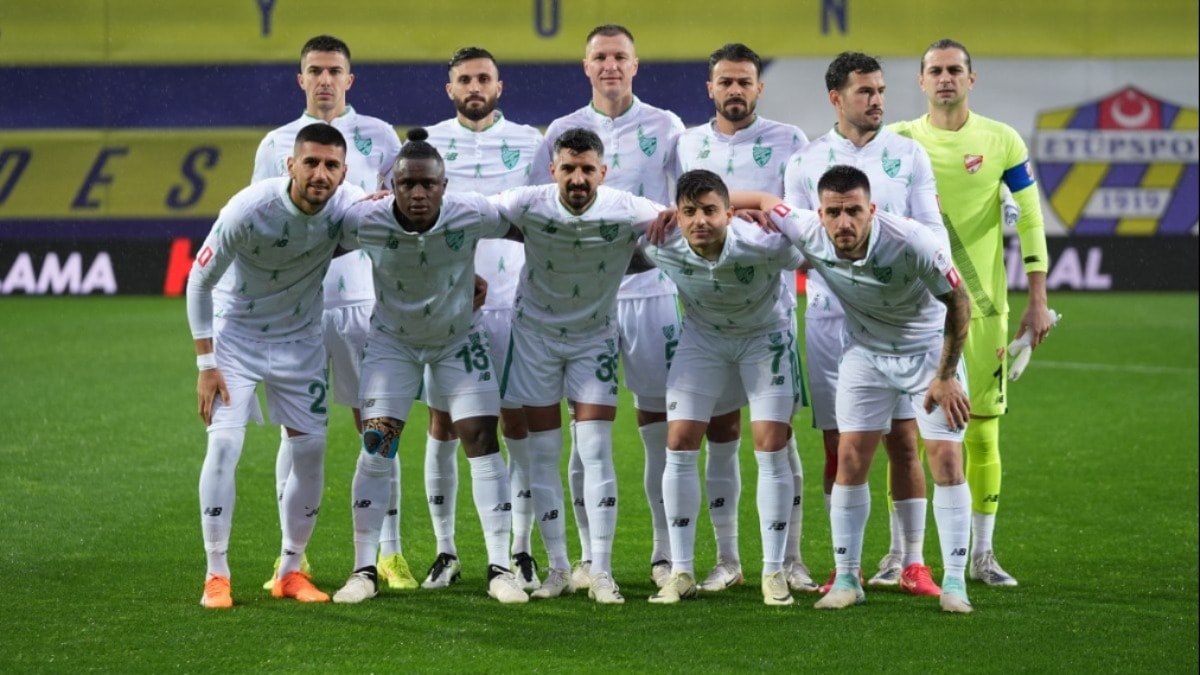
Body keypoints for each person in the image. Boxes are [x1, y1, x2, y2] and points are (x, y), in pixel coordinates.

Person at [737, 164, 976, 613]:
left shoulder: (912, 241)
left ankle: (955, 582)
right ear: (819, 213)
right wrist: (703, 208)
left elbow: (959, 301)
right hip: (866, 353)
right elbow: (767, 202)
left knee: (946, 459)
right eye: (833, 212)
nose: (843, 222)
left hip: (927, 352)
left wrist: (946, 375)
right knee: (848, 458)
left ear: (872, 209)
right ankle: (848, 578)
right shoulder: (807, 229)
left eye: (853, 211)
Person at [329, 130, 527, 605]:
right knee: (377, 446)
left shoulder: (472, 212)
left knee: (481, 439)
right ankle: (364, 570)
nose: (418, 193)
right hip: (392, 344)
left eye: (428, 184)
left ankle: (500, 568)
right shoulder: (365, 220)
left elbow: (533, 226)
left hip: (458, 341)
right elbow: (315, 243)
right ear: (390, 186)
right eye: (407, 184)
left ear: (444, 185)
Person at [250, 34, 413, 592]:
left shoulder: (380, 137)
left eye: (334, 70)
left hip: (361, 303)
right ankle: (290, 559)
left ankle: (390, 552)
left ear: (350, 78)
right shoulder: (275, 143)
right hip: (296, 310)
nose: (324, 79)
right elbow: (261, 224)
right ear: (301, 79)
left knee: (378, 424)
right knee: (295, 432)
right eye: (315, 70)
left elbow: (400, 221)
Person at [892, 39, 1055, 587]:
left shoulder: (1002, 140)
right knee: (905, 437)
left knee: (982, 434)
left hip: (983, 313)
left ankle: (982, 555)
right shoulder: (899, 140)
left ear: (971, 78)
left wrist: (1038, 299)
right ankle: (904, 555)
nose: (945, 78)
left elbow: (1030, 219)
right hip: (914, 314)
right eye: (935, 71)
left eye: (954, 70)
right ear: (921, 81)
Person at [531, 24, 684, 591]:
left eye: (620, 56)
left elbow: (683, 206)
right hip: (583, 300)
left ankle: (664, 553)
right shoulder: (561, 131)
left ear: (635, 65)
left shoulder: (666, 126)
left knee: (658, 428)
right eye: (601, 57)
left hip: (651, 295)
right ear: (586, 66)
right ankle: (585, 559)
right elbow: (538, 211)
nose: (611, 65)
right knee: (585, 432)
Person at [784, 51, 943, 595]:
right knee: (841, 447)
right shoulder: (805, 162)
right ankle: (844, 563)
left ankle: (910, 561)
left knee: (904, 440)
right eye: (865, 91)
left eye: (880, 90)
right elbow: (795, 243)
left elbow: (932, 231)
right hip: (832, 320)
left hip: (899, 321)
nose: (877, 100)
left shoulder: (908, 153)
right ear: (837, 98)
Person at [189, 123, 364, 609]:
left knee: (310, 454)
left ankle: (290, 571)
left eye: (331, 165)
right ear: (290, 165)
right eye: (311, 162)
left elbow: (395, 227)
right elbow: (199, 281)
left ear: (343, 171)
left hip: (301, 344)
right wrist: (206, 363)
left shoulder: (347, 207)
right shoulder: (249, 209)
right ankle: (216, 574)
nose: (320, 174)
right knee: (224, 446)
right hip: (236, 341)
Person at [495, 127, 667, 605]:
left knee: (594, 449)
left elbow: (686, 219)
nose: (577, 178)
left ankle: (602, 571)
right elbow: (468, 212)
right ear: (552, 170)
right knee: (543, 453)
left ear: (603, 172)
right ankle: (557, 567)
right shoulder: (527, 202)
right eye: (568, 168)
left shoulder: (627, 208)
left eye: (587, 169)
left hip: (594, 342)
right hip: (535, 339)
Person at [674, 42, 813, 594]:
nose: (735, 90)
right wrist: (747, 204)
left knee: (778, 438)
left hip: (767, 312)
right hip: (707, 313)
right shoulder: (688, 143)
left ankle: (791, 559)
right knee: (720, 431)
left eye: (744, 81)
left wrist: (752, 208)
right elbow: (684, 208)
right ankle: (727, 560)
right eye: (725, 81)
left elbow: (797, 217)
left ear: (759, 87)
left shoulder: (790, 140)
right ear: (710, 88)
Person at [642, 170, 804, 606]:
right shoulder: (660, 243)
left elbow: (806, 246)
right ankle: (681, 572)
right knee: (679, 441)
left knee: (770, 445)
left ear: (729, 213)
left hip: (765, 339)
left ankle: (774, 572)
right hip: (703, 340)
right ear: (676, 215)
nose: (701, 221)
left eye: (711, 211)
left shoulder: (766, 242)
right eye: (689, 212)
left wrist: (768, 206)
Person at [418, 46, 545, 591]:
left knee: (516, 423)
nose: (475, 87)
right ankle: (445, 550)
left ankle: (520, 548)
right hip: (448, 308)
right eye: (465, 79)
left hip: (513, 303)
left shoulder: (531, 142)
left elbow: (542, 216)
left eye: (484, 78)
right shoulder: (426, 144)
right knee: (443, 424)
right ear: (450, 89)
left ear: (499, 86)